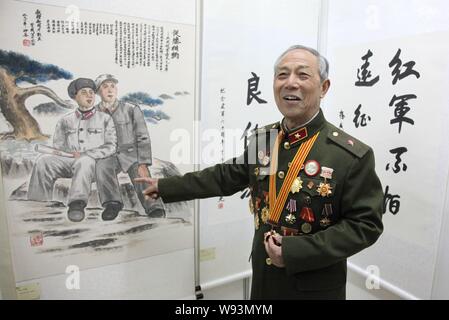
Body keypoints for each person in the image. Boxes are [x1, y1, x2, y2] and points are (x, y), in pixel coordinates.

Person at [135, 45, 384, 299]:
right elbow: (226, 176)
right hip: (265, 282)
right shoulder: (266, 139)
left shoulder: (348, 155)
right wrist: (166, 186)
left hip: (314, 288)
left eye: (303, 75)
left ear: (324, 87)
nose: (290, 83)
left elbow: (365, 225)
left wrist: (294, 251)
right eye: (282, 74)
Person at [28, 78, 117, 222]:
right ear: (75, 96)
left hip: (93, 164)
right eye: (84, 93)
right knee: (43, 161)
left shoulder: (105, 118)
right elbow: (58, 146)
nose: (89, 96)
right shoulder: (65, 120)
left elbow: (111, 146)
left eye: (91, 93)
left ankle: (77, 205)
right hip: (69, 161)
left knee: (84, 161)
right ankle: (37, 203)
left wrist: (86, 154)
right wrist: (61, 153)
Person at [93, 74, 165, 221]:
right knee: (102, 165)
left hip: (131, 154)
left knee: (140, 171)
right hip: (109, 154)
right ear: (98, 92)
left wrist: (144, 162)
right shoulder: (94, 113)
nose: (110, 90)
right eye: (105, 87)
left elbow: (143, 136)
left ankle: (154, 206)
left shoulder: (131, 109)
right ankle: (112, 204)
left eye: (112, 86)